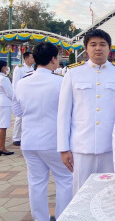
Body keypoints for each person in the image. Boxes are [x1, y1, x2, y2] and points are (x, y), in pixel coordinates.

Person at [57, 29, 115, 195]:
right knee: (81, 194)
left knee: (112, 193)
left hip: (112, 147)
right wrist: (63, 148)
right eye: (93, 44)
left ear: (109, 48)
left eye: (102, 44)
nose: (98, 48)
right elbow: (63, 113)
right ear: (86, 48)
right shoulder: (73, 73)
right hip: (81, 146)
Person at [13, 42, 73, 221]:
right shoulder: (61, 82)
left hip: (29, 140)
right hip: (54, 142)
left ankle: (41, 218)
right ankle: (63, 217)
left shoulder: (22, 83)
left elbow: (17, 112)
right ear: (54, 59)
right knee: (65, 180)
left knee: (36, 182)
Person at [12, 51, 35, 146]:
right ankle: (16, 138)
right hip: (21, 95)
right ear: (26, 59)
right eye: (32, 57)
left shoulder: (32, 68)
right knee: (19, 118)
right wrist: (17, 96)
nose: (33, 59)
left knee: (27, 116)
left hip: (29, 95)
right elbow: (15, 83)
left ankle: (24, 135)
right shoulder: (19, 68)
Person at [0, 60, 13, 155]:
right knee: (3, 126)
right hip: (4, 103)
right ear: (3, 67)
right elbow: (10, 93)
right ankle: (2, 147)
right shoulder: (4, 78)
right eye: (6, 66)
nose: (7, 68)